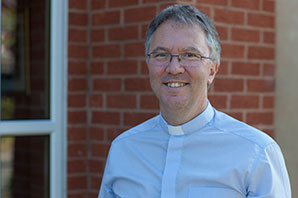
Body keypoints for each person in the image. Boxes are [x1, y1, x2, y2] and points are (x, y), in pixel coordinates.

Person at [98, 4, 291, 198]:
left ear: (212, 70)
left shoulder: (256, 153)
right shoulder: (123, 149)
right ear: (148, 64)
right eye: (161, 55)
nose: (174, 68)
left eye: (190, 55)